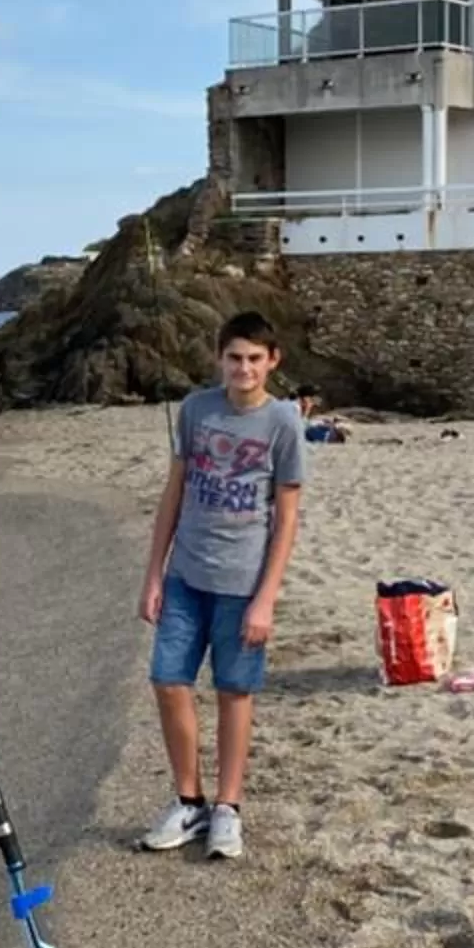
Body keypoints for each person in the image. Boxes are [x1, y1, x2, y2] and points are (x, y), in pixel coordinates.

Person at [140, 312, 305, 861]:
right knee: (168, 680)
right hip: (187, 574)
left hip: (243, 584)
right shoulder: (195, 410)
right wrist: (154, 574)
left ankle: (228, 808)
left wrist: (266, 599)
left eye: (255, 358)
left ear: (272, 361)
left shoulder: (283, 421)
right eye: (234, 357)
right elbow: (173, 493)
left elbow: (287, 517)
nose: (244, 368)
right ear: (219, 358)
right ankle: (190, 802)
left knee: (235, 691)